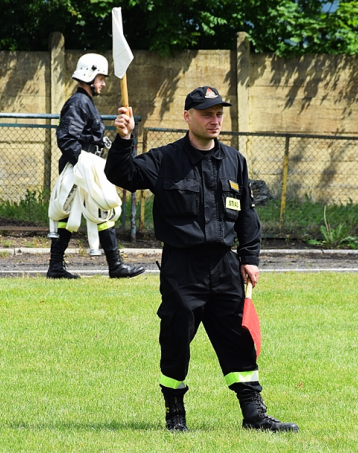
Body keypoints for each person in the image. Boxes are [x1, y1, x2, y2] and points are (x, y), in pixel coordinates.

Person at [105, 86, 298, 432]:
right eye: (207, 113)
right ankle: (174, 413)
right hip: (182, 266)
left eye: (219, 113)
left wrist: (249, 257)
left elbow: (247, 216)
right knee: (176, 339)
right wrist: (124, 139)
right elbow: (123, 175)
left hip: (225, 265)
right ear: (188, 116)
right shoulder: (166, 160)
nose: (215, 120)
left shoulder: (234, 161)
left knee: (238, 339)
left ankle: (254, 413)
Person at [47, 53, 144, 280]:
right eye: (101, 78)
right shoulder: (80, 102)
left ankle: (60, 266)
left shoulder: (85, 102)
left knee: (87, 213)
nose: (103, 83)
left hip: (84, 166)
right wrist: (83, 163)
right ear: (89, 76)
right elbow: (67, 138)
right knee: (90, 209)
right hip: (80, 167)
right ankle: (113, 265)